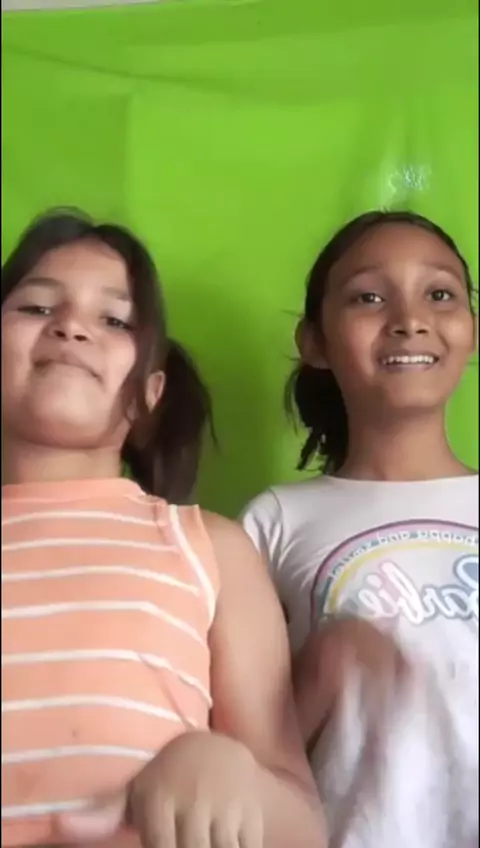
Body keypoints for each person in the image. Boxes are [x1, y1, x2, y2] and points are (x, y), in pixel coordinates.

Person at [1, 209, 325, 848]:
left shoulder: (209, 547)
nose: (71, 327)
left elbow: (305, 828)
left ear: (149, 394)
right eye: (37, 308)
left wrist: (225, 770)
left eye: (115, 320)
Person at [241, 211, 479, 846]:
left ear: (472, 330)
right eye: (369, 297)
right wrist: (321, 672)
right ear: (315, 342)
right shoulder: (272, 523)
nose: (410, 318)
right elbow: (247, 761)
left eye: (440, 293)